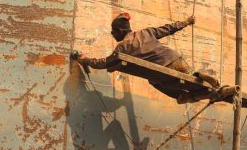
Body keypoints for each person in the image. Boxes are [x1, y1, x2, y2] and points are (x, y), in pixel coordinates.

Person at [73, 12, 220, 103]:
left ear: (119, 30)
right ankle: (198, 75)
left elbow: (103, 63)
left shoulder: (123, 47)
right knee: (194, 83)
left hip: (164, 72)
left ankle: (184, 97)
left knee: (156, 82)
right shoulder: (146, 32)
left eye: (113, 32)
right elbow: (169, 28)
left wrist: (83, 59)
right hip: (177, 60)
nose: (112, 34)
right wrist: (187, 22)